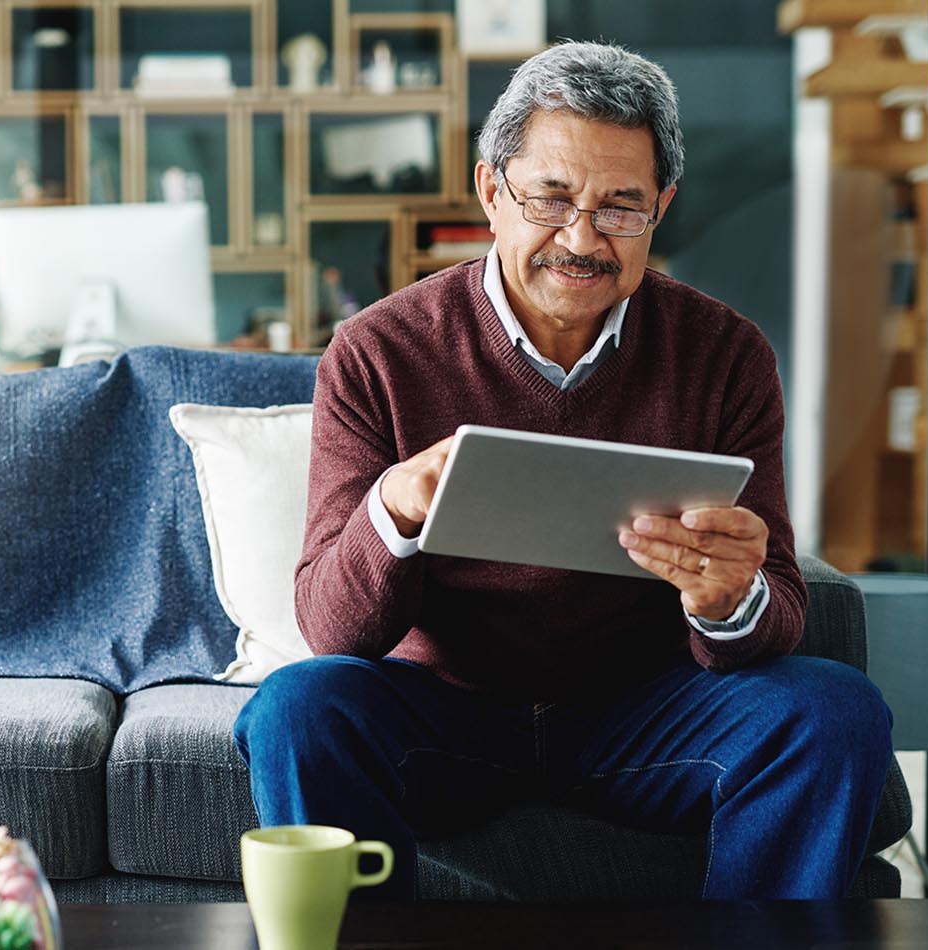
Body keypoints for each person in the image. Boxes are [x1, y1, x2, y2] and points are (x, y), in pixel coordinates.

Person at [233, 41, 893, 901]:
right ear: (490, 192)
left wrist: (730, 599)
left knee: (835, 710)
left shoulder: (724, 354)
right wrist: (393, 509)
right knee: (296, 709)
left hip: (645, 715)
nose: (582, 239)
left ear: (662, 208)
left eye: (621, 207)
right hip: (443, 713)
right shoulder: (377, 351)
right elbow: (332, 628)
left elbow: (776, 618)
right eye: (551, 198)